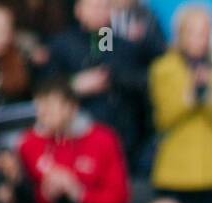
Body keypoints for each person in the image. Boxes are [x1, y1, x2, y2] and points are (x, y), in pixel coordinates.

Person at [148, 2, 212, 203]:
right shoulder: (163, 69)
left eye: (205, 33)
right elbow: (163, 118)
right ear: (180, 34)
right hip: (175, 172)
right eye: (193, 32)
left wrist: (208, 93)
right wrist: (190, 94)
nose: (199, 39)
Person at [46, 0, 150, 170]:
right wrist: (74, 84)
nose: (100, 11)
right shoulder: (63, 45)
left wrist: (113, 77)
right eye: (94, 6)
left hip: (122, 136)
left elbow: (138, 78)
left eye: (105, 6)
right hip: (78, 136)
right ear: (79, 10)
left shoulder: (119, 44)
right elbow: (47, 85)